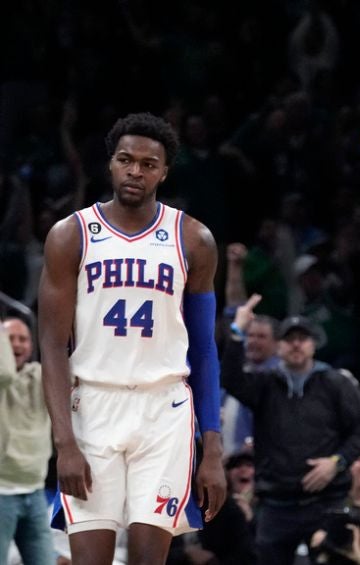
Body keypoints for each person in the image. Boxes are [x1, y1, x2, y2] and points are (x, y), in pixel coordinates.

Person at [38, 112, 227, 564]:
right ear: (111, 164)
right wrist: (64, 442)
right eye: (126, 160)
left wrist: (214, 449)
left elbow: (203, 348)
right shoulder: (71, 235)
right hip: (93, 407)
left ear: (164, 171)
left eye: (148, 163)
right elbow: (51, 345)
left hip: (164, 410)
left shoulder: (193, 238)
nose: (135, 171)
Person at [222, 297, 360, 565]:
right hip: (276, 504)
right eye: (289, 339)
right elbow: (230, 379)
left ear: (313, 345)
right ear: (278, 346)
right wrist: (237, 332)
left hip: (327, 502)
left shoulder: (335, 383)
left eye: (303, 338)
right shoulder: (265, 383)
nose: (296, 344)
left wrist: (337, 462)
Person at [1, 316, 55, 565]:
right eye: (9, 339)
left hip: (34, 491)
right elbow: (5, 374)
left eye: (23, 339)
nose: (17, 344)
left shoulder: (40, 377)